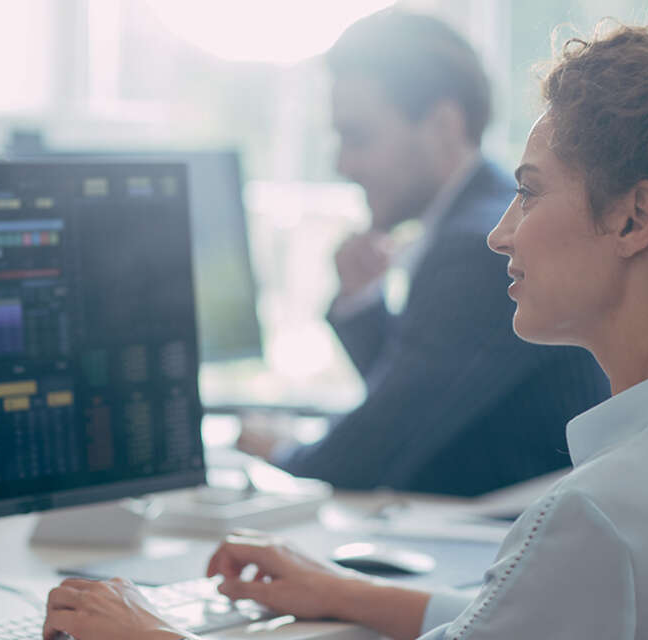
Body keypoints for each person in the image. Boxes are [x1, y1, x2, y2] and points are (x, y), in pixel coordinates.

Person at [41, 2, 648, 638]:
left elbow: (564, 583)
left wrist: (149, 631)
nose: (502, 230)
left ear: (632, 221)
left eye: (531, 190)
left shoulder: (601, 515)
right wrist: (337, 589)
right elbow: (531, 614)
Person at [237, 9, 610, 497]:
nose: (342, 163)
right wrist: (363, 303)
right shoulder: (483, 211)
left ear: (442, 124)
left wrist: (276, 453)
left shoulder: (476, 248)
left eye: (358, 136)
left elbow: (373, 452)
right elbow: (421, 403)